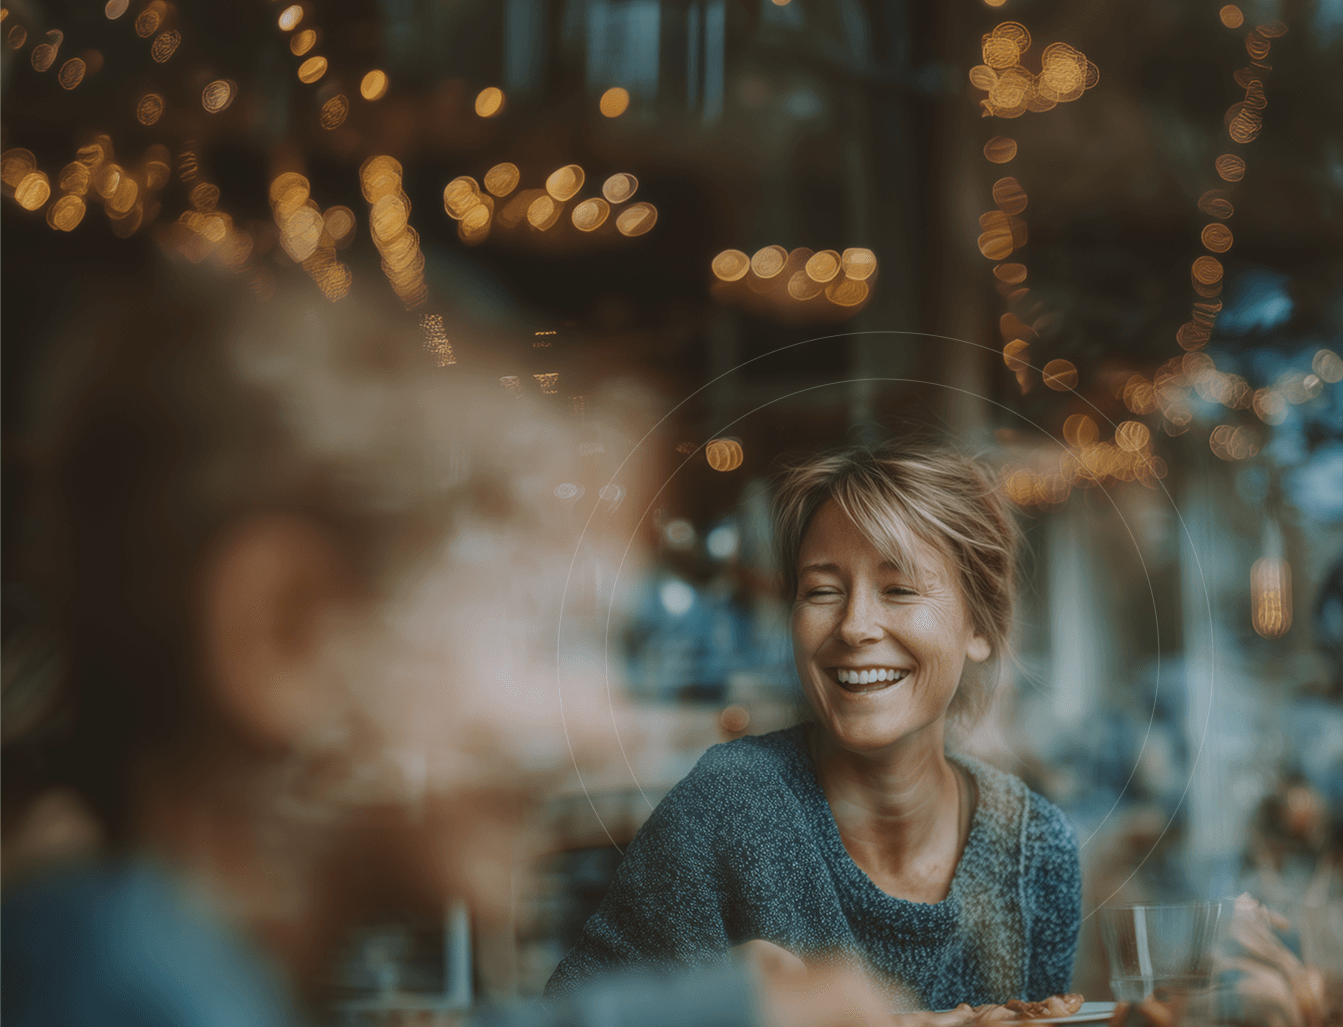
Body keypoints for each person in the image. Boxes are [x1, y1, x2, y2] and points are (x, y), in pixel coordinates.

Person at [0, 287, 893, 1027]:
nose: (603, 716)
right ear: (289, 633)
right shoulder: (127, 986)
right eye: (550, 634)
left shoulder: (120, 949)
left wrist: (736, 1007)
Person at [547, 441, 1082, 1011]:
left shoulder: (1035, 849)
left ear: (981, 624)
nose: (854, 626)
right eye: (822, 591)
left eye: (899, 590)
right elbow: (566, 1016)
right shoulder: (731, 803)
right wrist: (727, 1002)